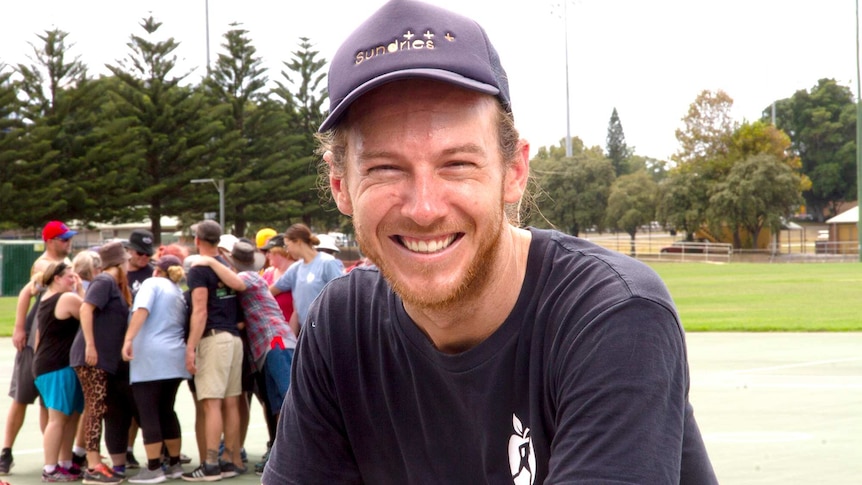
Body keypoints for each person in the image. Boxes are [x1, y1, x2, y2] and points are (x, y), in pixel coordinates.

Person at [262, 1, 717, 484]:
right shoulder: (341, 324)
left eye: (457, 163)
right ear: (341, 186)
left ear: (514, 172)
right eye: (384, 168)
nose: (424, 208)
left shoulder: (613, 315)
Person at [193, 242, 296, 477]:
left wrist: (209, 260)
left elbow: (237, 283)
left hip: (275, 342)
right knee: (278, 403)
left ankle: (300, 453)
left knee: (289, 399)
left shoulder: (248, 276)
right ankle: (285, 453)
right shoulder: (249, 277)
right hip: (267, 347)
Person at [1, 220, 75, 476]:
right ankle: (6, 451)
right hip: (35, 339)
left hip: (49, 340)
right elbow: (25, 293)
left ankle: (52, 456)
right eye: (63, 239)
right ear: (50, 241)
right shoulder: (46, 265)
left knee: (48, 402)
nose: (68, 242)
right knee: (21, 395)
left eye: (69, 238)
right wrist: (20, 327)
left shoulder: (64, 266)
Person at [183, 220, 243, 481]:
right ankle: (230, 460)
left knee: (211, 405)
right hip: (234, 338)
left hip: (214, 338)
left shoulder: (199, 268)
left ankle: (210, 464)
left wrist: (190, 347)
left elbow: (200, 310)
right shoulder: (226, 265)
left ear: (198, 240)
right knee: (231, 403)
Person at [122, 255, 191, 483]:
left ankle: (153, 467)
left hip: (150, 358)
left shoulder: (151, 284)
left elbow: (142, 310)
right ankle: (174, 463)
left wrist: (128, 339)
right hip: (174, 357)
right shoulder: (178, 292)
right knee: (167, 410)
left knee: (148, 411)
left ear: (157, 270)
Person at [70, 241, 133, 484]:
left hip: (102, 359)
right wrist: (91, 345)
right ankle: (93, 465)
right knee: (95, 408)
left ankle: (93, 459)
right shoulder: (105, 281)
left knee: (97, 407)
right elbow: (86, 310)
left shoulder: (112, 284)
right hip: (91, 358)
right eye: (126, 260)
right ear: (119, 262)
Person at [32, 262, 85, 482]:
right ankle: (51, 468)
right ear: (57, 278)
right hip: (56, 366)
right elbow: (90, 313)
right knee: (58, 419)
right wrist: (81, 291)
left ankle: (65, 463)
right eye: (70, 277)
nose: (73, 281)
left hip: (52, 364)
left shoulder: (46, 298)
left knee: (70, 417)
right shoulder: (66, 298)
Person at [269, 224, 344, 337]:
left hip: (327, 331)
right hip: (306, 333)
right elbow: (273, 290)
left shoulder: (328, 263)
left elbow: (342, 296)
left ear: (298, 241)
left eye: (287, 245)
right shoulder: (296, 268)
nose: (287, 250)